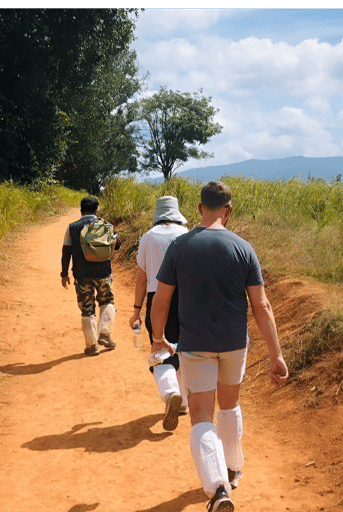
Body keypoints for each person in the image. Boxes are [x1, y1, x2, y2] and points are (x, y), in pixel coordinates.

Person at [150, 181, 289, 512]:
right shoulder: (244, 248)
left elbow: (163, 298)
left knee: (201, 416)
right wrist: (276, 354)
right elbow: (262, 306)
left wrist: (158, 339)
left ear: (199, 208)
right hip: (234, 345)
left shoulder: (180, 247)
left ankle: (217, 492)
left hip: (195, 346)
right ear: (228, 211)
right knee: (229, 406)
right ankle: (232, 468)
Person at [128, 196, 190, 431]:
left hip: (157, 299)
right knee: (183, 348)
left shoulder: (147, 238)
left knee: (160, 347)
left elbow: (142, 280)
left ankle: (171, 393)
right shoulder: (187, 235)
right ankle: (183, 401)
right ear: (176, 213)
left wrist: (136, 310)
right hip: (185, 299)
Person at [61, 196, 122, 356]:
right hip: (103, 273)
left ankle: (92, 346)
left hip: (81, 275)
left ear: (81, 210)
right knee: (107, 301)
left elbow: (66, 251)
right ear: (97, 210)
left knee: (87, 309)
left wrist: (64, 273)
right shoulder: (106, 225)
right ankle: (105, 333)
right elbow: (118, 244)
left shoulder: (72, 228)